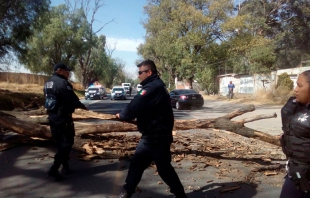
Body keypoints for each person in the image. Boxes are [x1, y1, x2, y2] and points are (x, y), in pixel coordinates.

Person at [116, 60, 187, 198]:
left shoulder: (153, 88)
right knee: (136, 164)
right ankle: (127, 191)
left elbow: (135, 105)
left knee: (164, 169)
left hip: (158, 137)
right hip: (150, 136)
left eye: (140, 73)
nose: (138, 76)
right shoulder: (154, 86)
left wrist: (123, 115)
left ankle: (180, 194)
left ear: (149, 72)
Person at [44, 63, 87, 181]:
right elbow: (71, 99)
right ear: (59, 71)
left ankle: (65, 167)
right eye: (66, 71)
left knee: (60, 143)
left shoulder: (48, 82)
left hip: (53, 117)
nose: (68, 73)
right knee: (67, 143)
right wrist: (82, 107)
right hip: (63, 118)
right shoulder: (63, 83)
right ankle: (54, 169)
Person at [279, 70, 310, 198]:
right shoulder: (293, 105)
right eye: (296, 85)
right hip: (295, 173)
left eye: (300, 85)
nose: (295, 90)